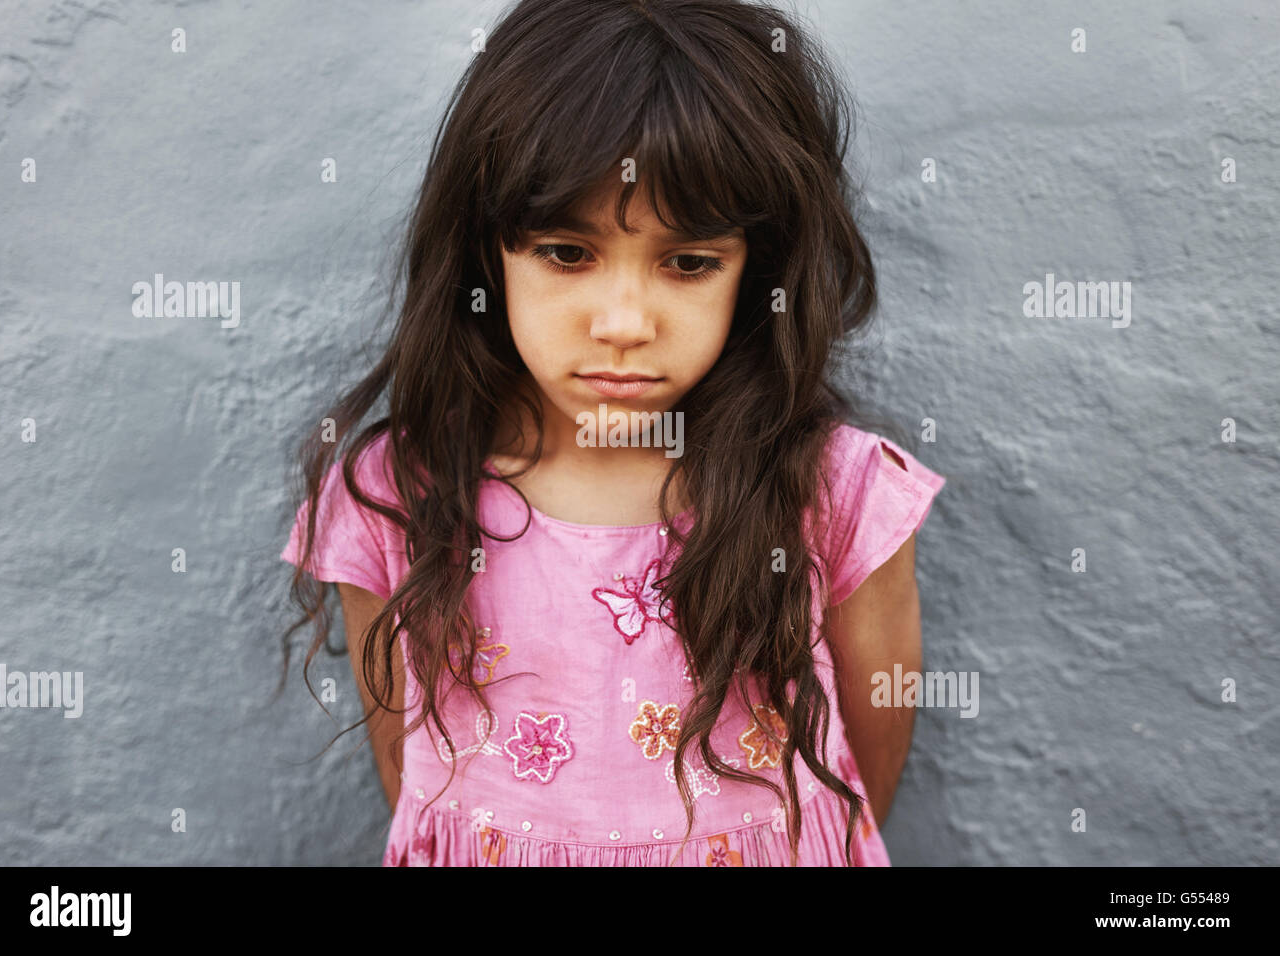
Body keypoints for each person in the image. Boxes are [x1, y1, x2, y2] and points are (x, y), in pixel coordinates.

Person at [280, 0, 945, 866]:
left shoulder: (836, 495)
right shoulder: (398, 497)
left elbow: (857, 787)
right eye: (566, 252)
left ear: (758, 270)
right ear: (489, 252)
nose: (625, 321)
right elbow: (414, 789)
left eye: (689, 263)